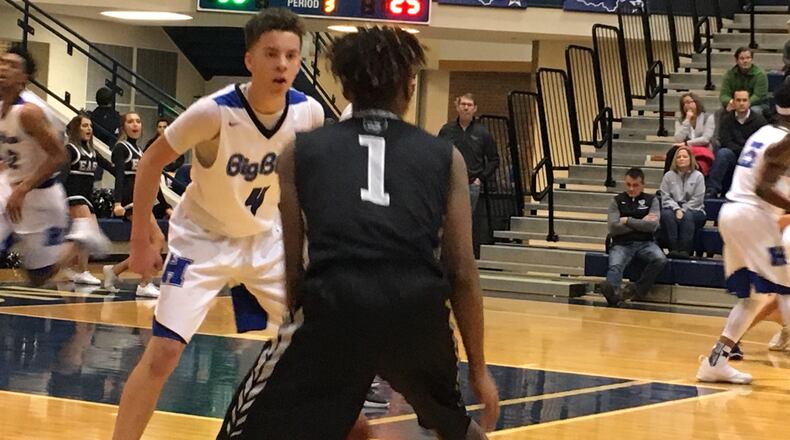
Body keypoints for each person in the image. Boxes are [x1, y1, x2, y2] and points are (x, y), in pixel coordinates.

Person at [216, 26, 500, 440]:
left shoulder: (300, 152)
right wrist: (478, 368)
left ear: (346, 86)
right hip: (416, 308)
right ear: (408, 87)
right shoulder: (446, 156)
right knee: (455, 428)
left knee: (240, 428)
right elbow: (461, 270)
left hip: (336, 303)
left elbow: (294, 265)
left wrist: (310, 341)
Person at [111, 9, 325, 440]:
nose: (282, 64)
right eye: (271, 54)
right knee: (164, 353)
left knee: (319, 344)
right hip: (201, 240)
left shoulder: (310, 114)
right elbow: (150, 162)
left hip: (265, 240)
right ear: (250, 60)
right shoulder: (213, 112)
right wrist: (142, 236)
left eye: (291, 55)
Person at [696, 82, 790, 384]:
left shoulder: (764, 132)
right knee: (787, 287)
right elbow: (764, 187)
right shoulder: (785, 140)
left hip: (732, 212)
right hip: (753, 216)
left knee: (755, 298)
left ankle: (715, 361)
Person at [0, 44, 105, 286]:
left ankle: (82, 238)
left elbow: (59, 157)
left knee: (38, 277)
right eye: (2, 62)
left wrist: (23, 189)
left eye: (12, 65)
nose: (4, 68)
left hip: (40, 196)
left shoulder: (28, 112)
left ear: (24, 78)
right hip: (10, 189)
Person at [101, 112, 163, 297]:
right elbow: (119, 176)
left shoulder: (140, 150)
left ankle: (114, 271)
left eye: (138, 121)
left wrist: (165, 204)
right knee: (157, 238)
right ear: (123, 127)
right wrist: (117, 202)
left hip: (142, 201)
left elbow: (150, 179)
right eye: (130, 122)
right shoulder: (121, 148)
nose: (135, 125)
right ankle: (144, 283)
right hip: (130, 201)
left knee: (150, 242)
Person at [599, 168, 667, 306]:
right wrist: (642, 221)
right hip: (621, 243)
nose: (631, 188)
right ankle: (614, 294)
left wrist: (628, 220)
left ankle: (637, 290)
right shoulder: (616, 201)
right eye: (628, 184)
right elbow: (613, 227)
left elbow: (653, 226)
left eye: (635, 185)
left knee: (660, 259)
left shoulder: (652, 200)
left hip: (646, 242)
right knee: (615, 266)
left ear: (643, 185)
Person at [61, 113, 112, 285]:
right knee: (86, 233)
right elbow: (61, 175)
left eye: (90, 126)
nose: (89, 129)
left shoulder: (92, 152)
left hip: (86, 197)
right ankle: (58, 265)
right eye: (84, 125)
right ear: (76, 129)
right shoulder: (70, 150)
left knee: (89, 235)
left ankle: (79, 269)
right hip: (73, 195)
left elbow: (112, 166)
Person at [438, 93, 499, 214]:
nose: (466, 108)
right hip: (450, 183)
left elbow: (494, 159)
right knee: (447, 218)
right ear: (457, 107)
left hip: (472, 184)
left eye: (469, 105)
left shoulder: (482, 132)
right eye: (463, 104)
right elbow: (438, 154)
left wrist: (480, 178)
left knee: (466, 220)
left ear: (475, 108)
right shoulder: (446, 130)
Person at [707, 89, 767, 198]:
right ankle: (712, 189)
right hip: (733, 155)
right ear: (733, 102)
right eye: (738, 100)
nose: (741, 103)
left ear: (749, 102)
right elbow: (725, 141)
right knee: (723, 153)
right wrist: (742, 150)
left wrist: (746, 152)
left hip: (752, 157)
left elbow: (762, 142)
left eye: (744, 100)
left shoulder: (760, 121)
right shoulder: (726, 119)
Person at [659, 146, 706, 258]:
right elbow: (665, 197)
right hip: (673, 208)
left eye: (684, 156)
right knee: (667, 215)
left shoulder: (698, 176)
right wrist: (676, 209)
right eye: (678, 157)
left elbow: (698, 199)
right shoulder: (668, 176)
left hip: (695, 210)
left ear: (690, 159)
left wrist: (683, 210)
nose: (681, 159)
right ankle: (673, 249)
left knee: (688, 216)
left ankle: (685, 251)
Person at [664, 93, 715, 175]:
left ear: (696, 103)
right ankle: (667, 178)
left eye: (689, 102)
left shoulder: (708, 117)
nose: (686, 105)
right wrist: (687, 120)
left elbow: (706, 139)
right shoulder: (681, 121)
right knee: (672, 151)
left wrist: (686, 144)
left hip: (703, 149)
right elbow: (678, 139)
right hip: (686, 151)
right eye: (684, 103)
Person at [719, 47, 769, 115]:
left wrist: (742, 104)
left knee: (754, 111)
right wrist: (733, 103)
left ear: (751, 59)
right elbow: (723, 96)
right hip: (735, 104)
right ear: (736, 60)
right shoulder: (729, 74)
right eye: (742, 58)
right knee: (720, 112)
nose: (745, 61)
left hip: (757, 105)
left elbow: (759, 96)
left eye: (748, 58)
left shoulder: (760, 74)